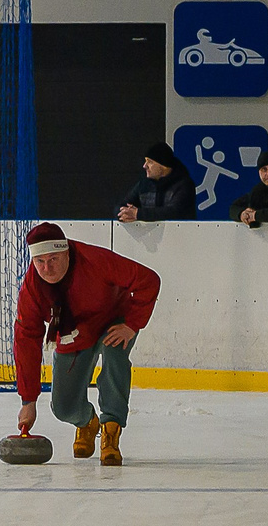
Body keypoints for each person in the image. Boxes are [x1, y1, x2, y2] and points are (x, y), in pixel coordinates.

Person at [13, 221, 159, 467]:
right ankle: (87, 422)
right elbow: (26, 341)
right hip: (75, 330)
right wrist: (28, 401)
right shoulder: (32, 289)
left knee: (115, 354)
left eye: (54, 259)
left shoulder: (95, 260)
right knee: (62, 407)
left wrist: (132, 325)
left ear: (66, 252)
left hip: (115, 319)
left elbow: (148, 280)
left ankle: (111, 428)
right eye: (40, 262)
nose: (47, 268)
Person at [117, 144, 198, 222]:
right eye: (145, 161)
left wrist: (138, 214)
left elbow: (174, 212)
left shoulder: (184, 185)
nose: (144, 166)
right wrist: (124, 214)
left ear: (163, 165)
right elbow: (122, 205)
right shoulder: (143, 184)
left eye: (150, 162)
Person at [230, 150, 268, 225]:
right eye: (264, 169)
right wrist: (242, 214)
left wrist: (256, 215)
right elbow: (233, 208)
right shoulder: (257, 191)